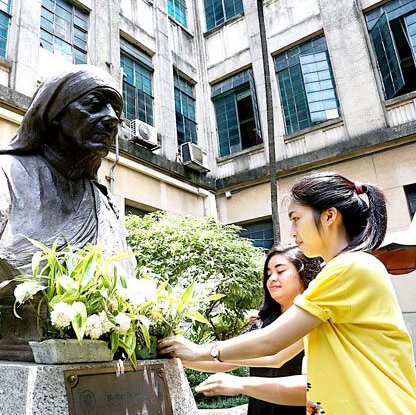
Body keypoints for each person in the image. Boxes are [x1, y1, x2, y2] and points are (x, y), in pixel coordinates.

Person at [159, 172, 416, 413]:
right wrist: (182, 354)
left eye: (296, 218)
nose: (292, 232)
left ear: (329, 216)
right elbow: (275, 355)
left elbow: (270, 342)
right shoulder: (341, 271)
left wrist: (200, 351)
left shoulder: (347, 268)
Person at [0, 65, 133, 299]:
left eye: (116, 112)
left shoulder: (104, 205)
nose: (112, 119)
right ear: (53, 114)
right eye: (94, 105)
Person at [183, 245, 320, 414]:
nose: (272, 279)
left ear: (304, 274)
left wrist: (238, 383)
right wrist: (178, 356)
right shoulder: (261, 323)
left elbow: (275, 358)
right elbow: (228, 360)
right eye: (268, 274)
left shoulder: (315, 320)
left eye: (280, 271)